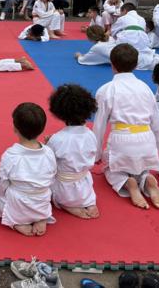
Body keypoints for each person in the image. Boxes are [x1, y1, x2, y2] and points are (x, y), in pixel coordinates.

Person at [93, 44, 159, 210]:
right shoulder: (146, 88)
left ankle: (127, 182)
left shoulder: (107, 89)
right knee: (140, 165)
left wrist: (96, 155)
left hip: (122, 140)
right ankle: (146, 177)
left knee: (108, 167)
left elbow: (99, 126)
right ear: (136, 65)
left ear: (112, 64)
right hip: (146, 140)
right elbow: (156, 123)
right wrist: (155, 149)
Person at [0, 102, 56, 236]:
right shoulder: (49, 152)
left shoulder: (11, 155)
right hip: (41, 201)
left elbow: (2, 184)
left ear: (15, 128)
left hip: (18, 204)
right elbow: (52, 178)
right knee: (42, 192)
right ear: (42, 129)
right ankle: (41, 217)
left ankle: (17, 221)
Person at [47, 84, 99, 219]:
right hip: (84, 182)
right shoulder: (91, 134)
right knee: (82, 176)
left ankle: (67, 205)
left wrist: (46, 145)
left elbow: (49, 163)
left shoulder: (58, 139)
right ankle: (89, 202)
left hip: (64, 186)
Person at [110, 3, 155, 70]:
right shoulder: (142, 18)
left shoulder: (123, 18)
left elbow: (113, 32)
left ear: (124, 10)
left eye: (121, 12)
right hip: (144, 41)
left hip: (129, 39)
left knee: (111, 43)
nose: (120, 14)